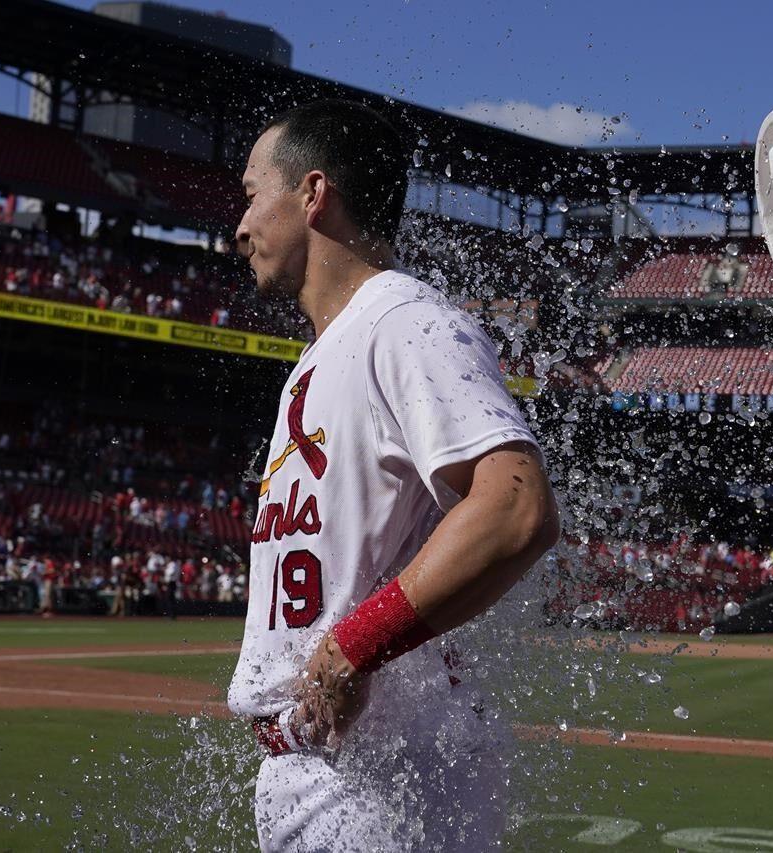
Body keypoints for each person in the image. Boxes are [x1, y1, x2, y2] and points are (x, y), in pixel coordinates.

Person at [226, 99, 561, 852]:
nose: (238, 226)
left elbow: (516, 505)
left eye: (252, 194)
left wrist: (355, 645)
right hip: (331, 772)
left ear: (313, 194)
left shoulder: (402, 319)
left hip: (376, 778)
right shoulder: (325, 353)